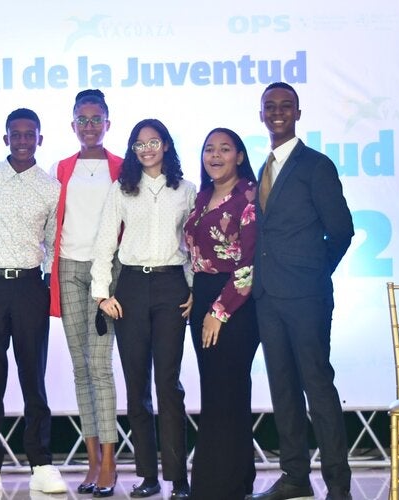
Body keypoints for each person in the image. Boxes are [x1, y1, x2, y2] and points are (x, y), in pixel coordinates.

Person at [248, 82, 355, 500]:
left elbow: (341, 231)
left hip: (306, 297)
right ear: (261, 115)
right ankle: (295, 477)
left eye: (285, 106)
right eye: (270, 107)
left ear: (297, 112)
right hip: (268, 297)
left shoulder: (316, 165)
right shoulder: (265, 167)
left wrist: (313, 272)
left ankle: (338, 485)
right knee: (283, 389)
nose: (277, 112)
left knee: (318, 387)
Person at [92, 118, 196, 500]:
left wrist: (194, 289)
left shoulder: (186, 189)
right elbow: (105, 241)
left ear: (166, 145)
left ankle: (178, 478)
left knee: (168, 385)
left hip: (171, 286)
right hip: (131, 287)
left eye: (154, 142)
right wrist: (102, 293)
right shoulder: (122, 189)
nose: (147, 148)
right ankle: (148, 476)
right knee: (137, 388)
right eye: (139, 143)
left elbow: (194, 245)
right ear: (133, 150)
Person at [0, 108, 67, 496]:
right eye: (16, 134)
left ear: (40, 139)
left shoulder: (51, 186)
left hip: (29, 287)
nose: (23, 140)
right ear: (5, 137)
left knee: (33, 376)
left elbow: (50, 240)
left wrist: (41, 279)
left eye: (30, 134)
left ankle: (40, 462)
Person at [48, 89, 123, 498]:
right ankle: (92, 460)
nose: (89, 126)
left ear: (108, 123)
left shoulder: (121, 167)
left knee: (100, 368)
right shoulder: (62, 168)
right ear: (72, 123)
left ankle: (110, 462)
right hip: (67, 270)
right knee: (80, 370)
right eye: (82, 119)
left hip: (104, 275)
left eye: (96, 119)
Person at [183, 128, 259, 500]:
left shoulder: (249, 196)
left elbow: (249, 265)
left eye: (224, 149)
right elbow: (196, 256)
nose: (215, 155)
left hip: (234, 305)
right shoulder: (201, 197)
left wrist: (219, 311)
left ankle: (217, 489)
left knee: (225, 395)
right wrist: (194, 297)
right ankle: (238, 480)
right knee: (219, 393)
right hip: (203, 299)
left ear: (240, 156)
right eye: (209, 149)